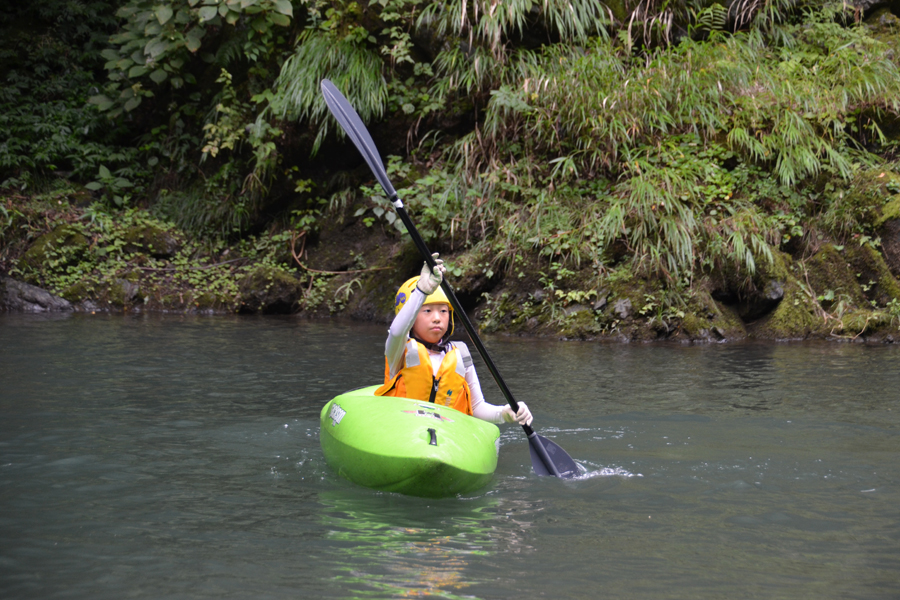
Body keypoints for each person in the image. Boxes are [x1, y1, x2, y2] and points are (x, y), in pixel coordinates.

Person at [374, 253, 533, 426]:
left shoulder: (460, 354)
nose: (437, 318)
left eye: (443, 311)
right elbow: (397, 332)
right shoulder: (399, 348)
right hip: (403, 428)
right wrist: (421, 291)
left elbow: (477, 407)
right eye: (427, 311)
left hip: (446, 435)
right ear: (411, 316)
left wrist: (504, 413)